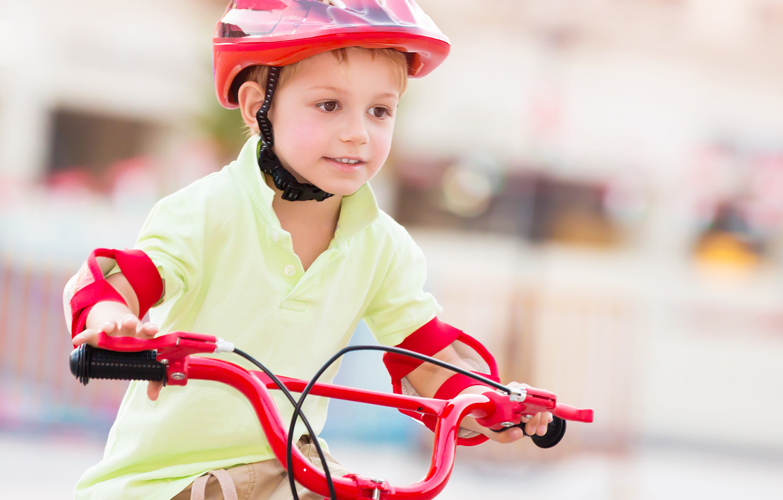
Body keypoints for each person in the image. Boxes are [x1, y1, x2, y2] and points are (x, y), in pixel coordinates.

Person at [61, 1, 553, 499]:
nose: (358, 132)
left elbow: (426, 352)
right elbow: (122, 280)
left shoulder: (383, 247)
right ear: (259, 109)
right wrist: (111, 321)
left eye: (379, 110)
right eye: (329, 106)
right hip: (166, 481)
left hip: (289, 469)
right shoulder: (206, 211)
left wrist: (485, 401)